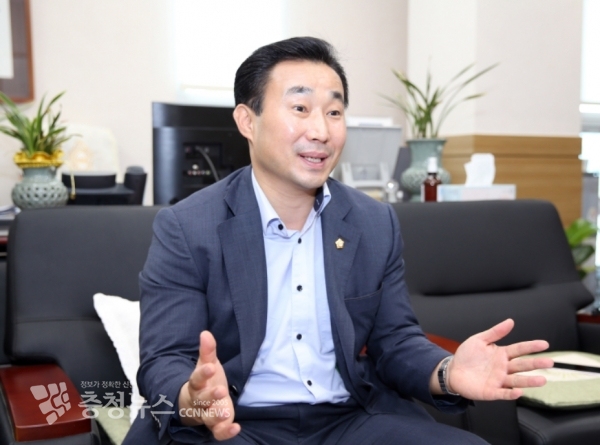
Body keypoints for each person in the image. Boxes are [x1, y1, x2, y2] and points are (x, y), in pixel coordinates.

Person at [125, 37, 553, 445]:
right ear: (247, 121)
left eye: (334, 112)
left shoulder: (373, 221)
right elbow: (165, 358)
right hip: (235, 423)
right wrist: (195, 399)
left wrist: (446, 372)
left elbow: (395, 341)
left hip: (348, 420)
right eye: (300, 108)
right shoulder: (187, 226)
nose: (321, 131)